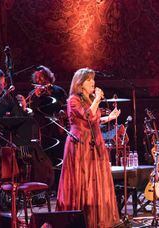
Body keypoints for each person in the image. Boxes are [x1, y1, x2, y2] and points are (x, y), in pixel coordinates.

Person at [56, 68, 121, 228]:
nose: (93, 83)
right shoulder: (73, 100)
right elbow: (87, 116)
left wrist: (108, 117)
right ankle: (80, 219)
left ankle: (97, 218)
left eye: (93, 79)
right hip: (80, 144)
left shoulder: (89, 99)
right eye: (89, 80)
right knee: (81, 180)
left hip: (94, 142)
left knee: (96, 180)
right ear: (80, 83)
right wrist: (98, 99)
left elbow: (93, 121)